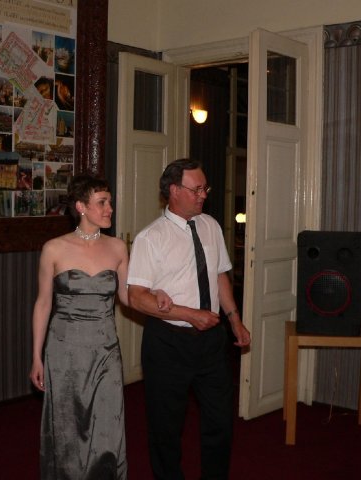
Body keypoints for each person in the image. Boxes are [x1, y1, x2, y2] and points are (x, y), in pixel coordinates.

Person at [29, 173, 171, 480]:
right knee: (68, 425)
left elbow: (128, 297)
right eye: (102, 202)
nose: (110, 209)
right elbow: (43, 304)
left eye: (110, 202)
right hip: (64, 351)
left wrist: (154, 292)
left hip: (105, 350)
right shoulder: (54, 248)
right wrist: (37, 357)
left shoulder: (118, 247)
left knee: (107, 423)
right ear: (81, 206)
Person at [127, 158, 252, 480]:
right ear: (174, 190)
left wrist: (234, 320)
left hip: (212, 341)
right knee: (166, 427)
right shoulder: (150, 238)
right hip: (168, 342)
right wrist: (189, 314)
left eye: (205, 188)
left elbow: (219, 275)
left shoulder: (210, 226)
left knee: (220, 420)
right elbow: (136, 296)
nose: (203, 195)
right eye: (196, 189)